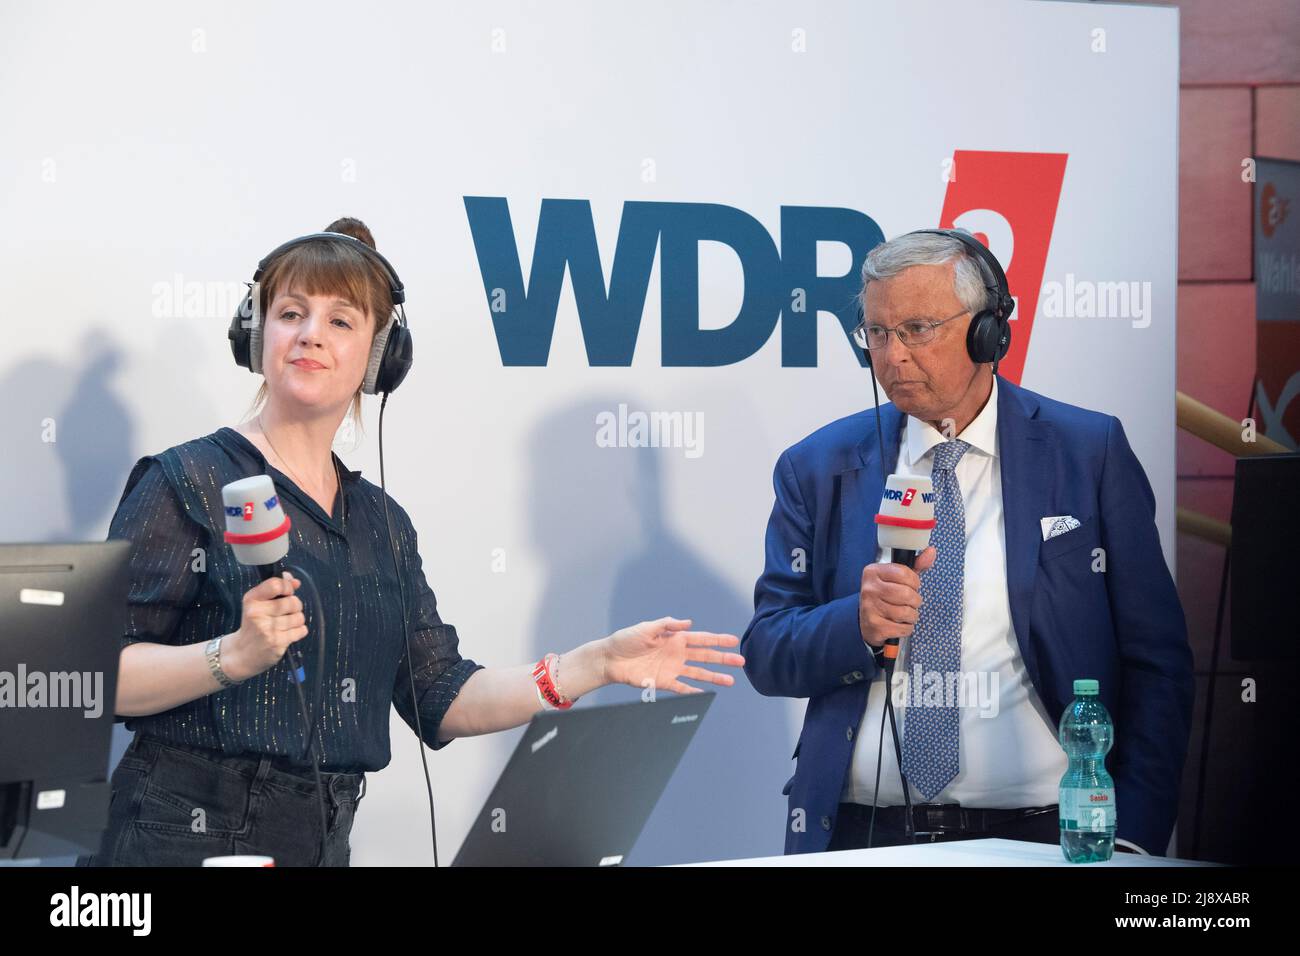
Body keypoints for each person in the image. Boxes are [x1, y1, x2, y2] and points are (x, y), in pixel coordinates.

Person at [80, 217, 743, 867]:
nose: (311, 335)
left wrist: (591, 664)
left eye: (341, 320)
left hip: (323, 839)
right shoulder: (185, 480)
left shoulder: (380, 525)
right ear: (258, 335)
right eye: (290, 314)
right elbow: (99, 677)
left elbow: (440, 696)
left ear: (378, 357)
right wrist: (233, 655)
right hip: (178, 835)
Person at [741, 228, 1193, 856]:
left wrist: (1134, 839)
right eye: (876, 333)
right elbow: (767, 649)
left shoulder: (1087, 453)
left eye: (918, 329)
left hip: (1045, 836)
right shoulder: (817, 468)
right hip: (862, 836)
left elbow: (1157, 664)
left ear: (990, 333)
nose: (893, 357)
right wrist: (858, 623)